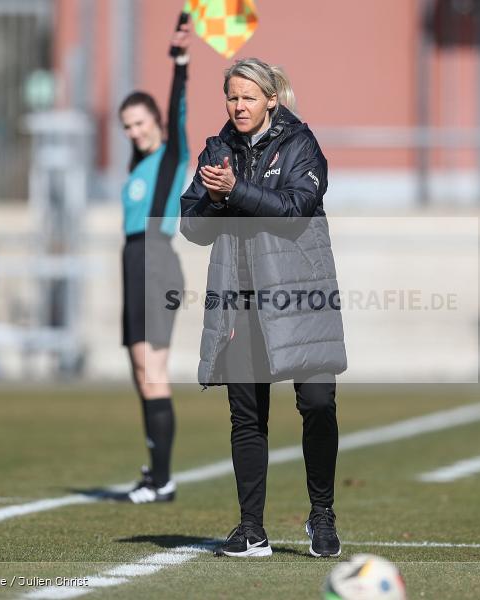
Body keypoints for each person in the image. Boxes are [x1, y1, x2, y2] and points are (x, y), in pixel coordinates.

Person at [180, 58, 347, 557]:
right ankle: (251, 529)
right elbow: (192, 226)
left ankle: (321, 517)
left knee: (317, 404)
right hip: (240, 297)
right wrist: (212, 200)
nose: (239, 106)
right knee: (246, 415)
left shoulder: (301, 144)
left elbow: (296, 212)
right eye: (232, 97)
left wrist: (235, 191)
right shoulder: (217, 148)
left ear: (271, 100)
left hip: (300, 294)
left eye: (249, 97)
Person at [117, 21, 190, 503]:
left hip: (156, 258)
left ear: (156, 122)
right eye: (127, 126)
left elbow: (179, 109)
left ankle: (163, 479)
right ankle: (156, 474)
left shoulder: (170, 156)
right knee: (140, 373)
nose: (135, 131)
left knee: (153, 374)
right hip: (134, 259)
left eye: (140, 122)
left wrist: (179, 64)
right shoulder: (136, 166)